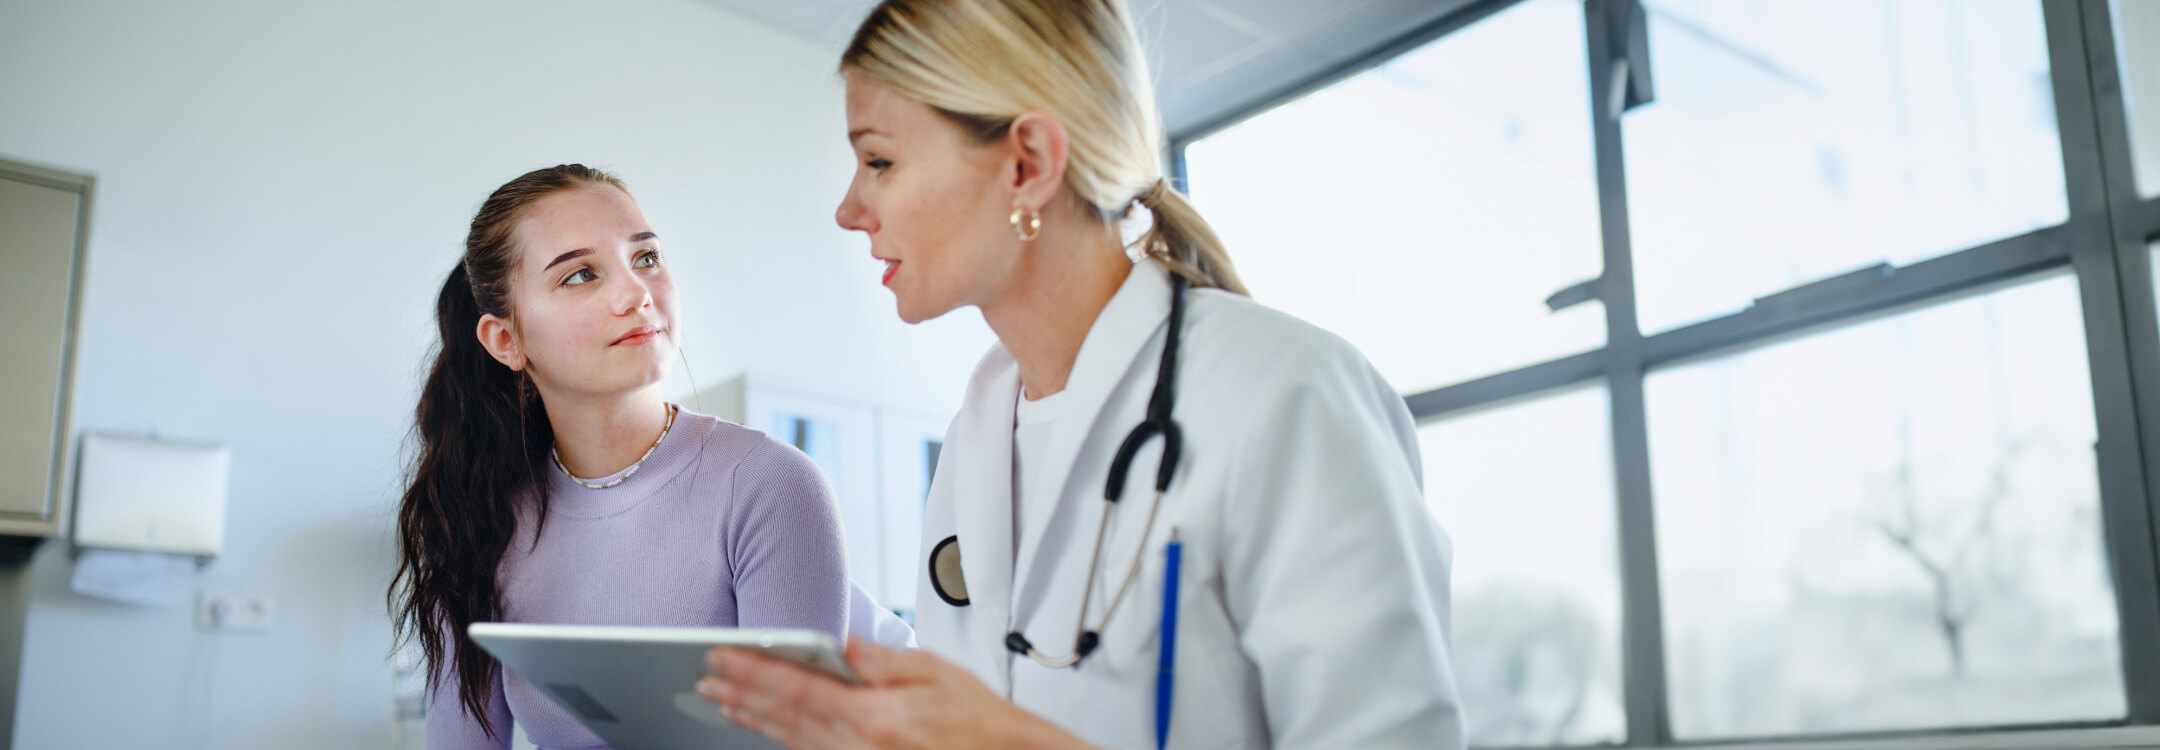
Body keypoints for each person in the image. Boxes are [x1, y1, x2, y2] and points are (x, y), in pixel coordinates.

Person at [696, 2, 1466, 748]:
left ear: (1027, 164)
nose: (849, 208)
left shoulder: (1288, 394)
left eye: (880, 161)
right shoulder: (976, 438)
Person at [390, 164, 871, 748]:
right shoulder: (474, 523)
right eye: (581, 275)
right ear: (505, 341)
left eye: (646, 258)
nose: (637, 293)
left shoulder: (768, 484)